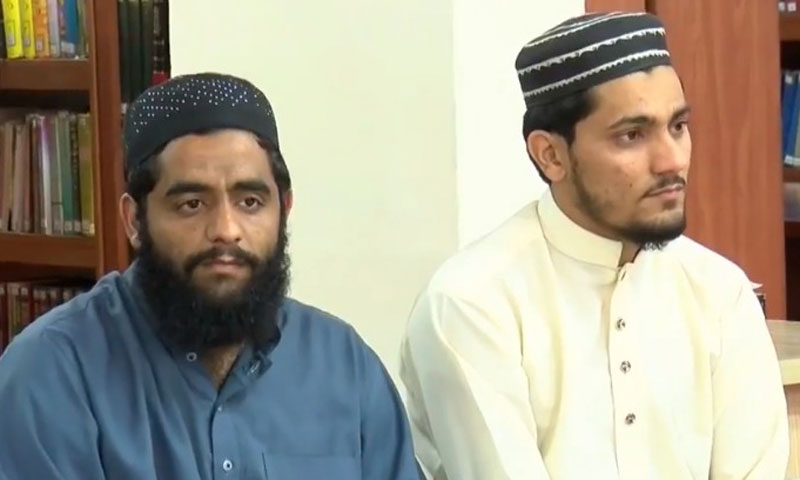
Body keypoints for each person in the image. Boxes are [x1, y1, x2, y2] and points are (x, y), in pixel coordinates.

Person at [400, 11, 789, 480]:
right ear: (551, 155)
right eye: (632, 135)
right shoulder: (472, 304)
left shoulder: (720, 293)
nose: (671, 161)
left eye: (678, 126)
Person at [0, 72, 420, 480]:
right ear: (134, 220)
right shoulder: (52, 373)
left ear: (284, 209)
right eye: (192, 204)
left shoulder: (344, 368)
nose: (226, 230)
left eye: (250, 201)